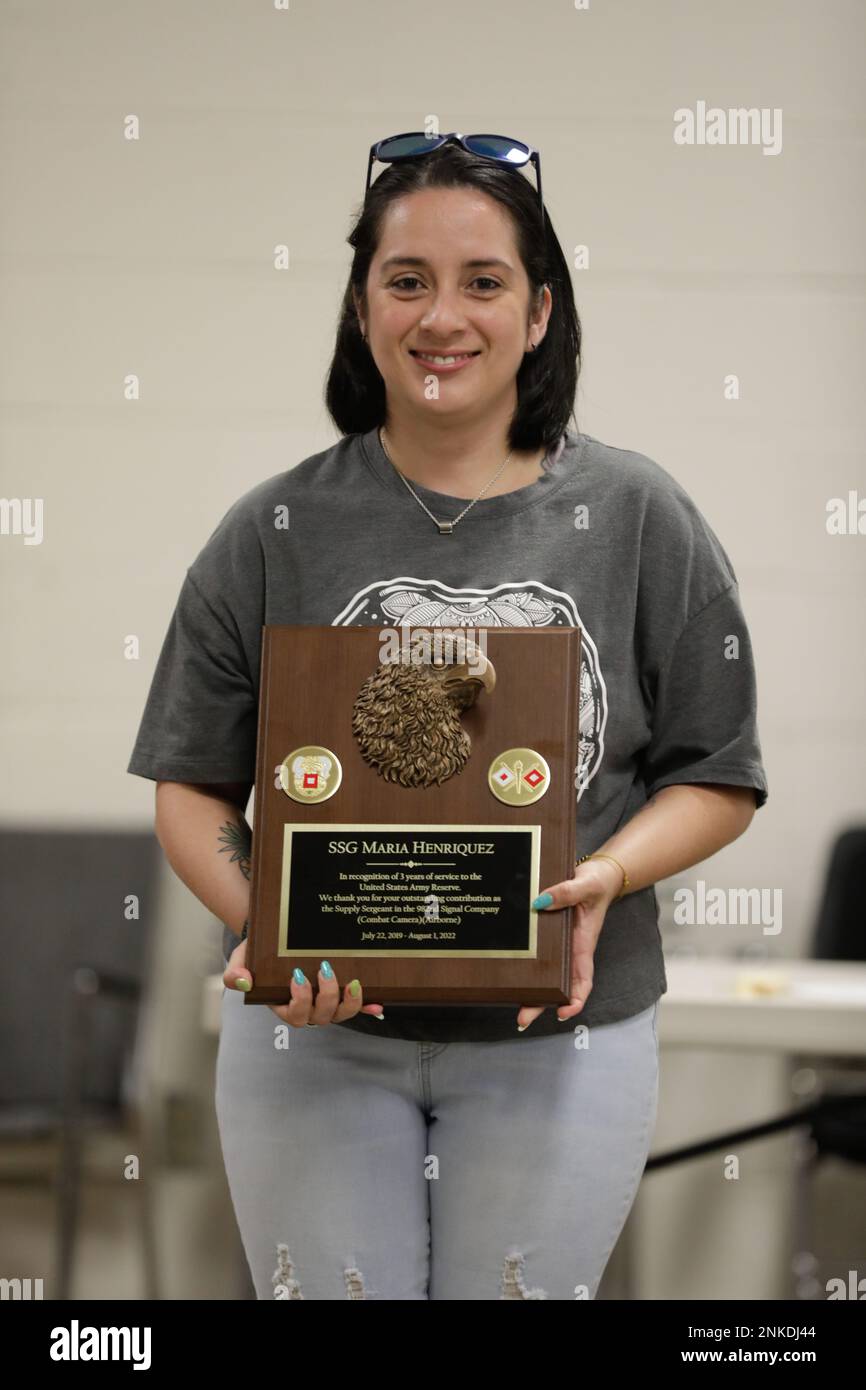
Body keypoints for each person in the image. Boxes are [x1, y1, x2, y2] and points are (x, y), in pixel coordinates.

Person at [127, 133, 768, 1300]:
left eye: (483, 281)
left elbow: (716, 772)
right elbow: (190, 783)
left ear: (538, 314)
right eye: (405, 278)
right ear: (360, 306)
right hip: (314, 1041)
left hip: (564, 1037)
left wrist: (606, 878)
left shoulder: (638, 513)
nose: (442, 315)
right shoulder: (271, 530)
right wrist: (269, 930)